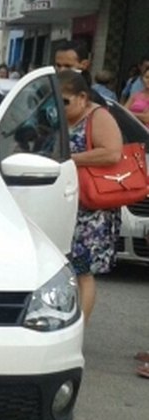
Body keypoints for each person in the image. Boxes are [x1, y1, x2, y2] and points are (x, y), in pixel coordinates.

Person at [59, 69, 123, 324]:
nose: (60, 107)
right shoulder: (60, 118)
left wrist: (69, 159)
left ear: (82, 97)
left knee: (83, 271)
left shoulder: (98, 117)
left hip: (90, 209)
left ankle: (78, 327)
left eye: (65, 101)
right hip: (65, 202)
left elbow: (112, 153)